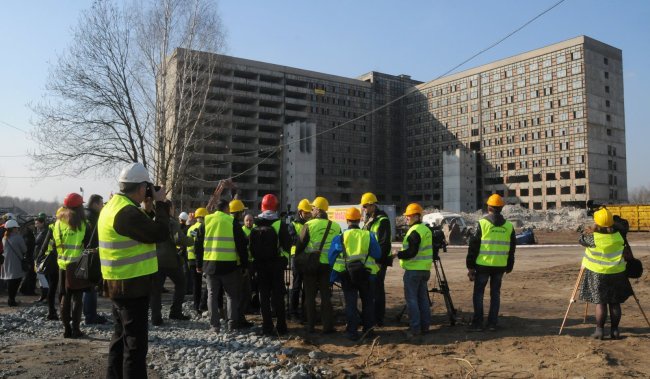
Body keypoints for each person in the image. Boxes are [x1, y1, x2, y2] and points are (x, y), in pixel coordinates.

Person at [98, 162, 169, 378]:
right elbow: (160, 233)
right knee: (135, 347)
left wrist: (147, 210)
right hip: (132, 287)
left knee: (119, 339)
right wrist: (162, 204)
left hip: (117, 284)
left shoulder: (112, 206)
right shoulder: (127, 213)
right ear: (141, 188)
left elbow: (139, 232)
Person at [193, 199, 248, 332]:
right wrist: (245, 265)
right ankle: (232, 324)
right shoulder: (231, 221)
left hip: (210, 265)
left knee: (211, 294)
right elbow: (242, 245)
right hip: (229, 265)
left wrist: (198, 264)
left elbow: (198, 244)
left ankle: (214, 325)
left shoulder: (207, 220)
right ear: (226, 209)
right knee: (231, 296)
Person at [579, 208, 633, 340]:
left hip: (599, 275)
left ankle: (599, 331)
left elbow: (581, 239)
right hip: (617, 273)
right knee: (615, 303)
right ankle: (615, 331)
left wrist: (588, 229)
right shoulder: (619, 234)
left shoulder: (592, 237)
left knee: (601, 303)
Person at [329, 207, 381, 340]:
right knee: (368, 302)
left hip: (347, 275)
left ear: (347, 221)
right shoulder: (368, 235)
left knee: (351, 304)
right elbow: (377, 254)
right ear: (360, 220)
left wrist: (333, 275)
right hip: (368, 275)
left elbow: (331, 257)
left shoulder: (340, 237)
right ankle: (368, 330)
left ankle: (352, 332)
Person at [466, 194, 516, 332]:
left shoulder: (482, 224)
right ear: (501, 208)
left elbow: (473, 247)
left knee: (479, 294)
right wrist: (510, 265)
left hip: (483, 265)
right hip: (500, 266)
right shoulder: (509, 226)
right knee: (495, 294)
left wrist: (470, 266)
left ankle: (477, 324)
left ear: (489, 207)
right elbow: (512, 249)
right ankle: (492, 323)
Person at [295, 196, 341, 334]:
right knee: (326, 297)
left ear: (318, 209)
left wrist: (299, 260)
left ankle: (310, 326)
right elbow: (338, 247)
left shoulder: (309, 225)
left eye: (313, 207)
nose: (312, 210)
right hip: (327, 266)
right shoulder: (336, 226)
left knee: (309, 296)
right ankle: (328, 327)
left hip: (311, 265)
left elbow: (299, 245)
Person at [249, 194, 292, 335]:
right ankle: (281, 326)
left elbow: (251, 246)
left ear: (262, 206)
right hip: (276, 265)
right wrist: (284, 259)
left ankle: (267, 326)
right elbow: (287, 245)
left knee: (263, 295)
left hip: (260, 265)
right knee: (278, 296)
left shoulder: (255, 223)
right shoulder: (280, 224)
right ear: (275, 207)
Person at [54, 193, 93, 338]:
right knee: (77, 298)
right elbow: (89, 245)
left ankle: (66, 330)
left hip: (62, 265)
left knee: (65, 297)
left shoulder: (57, 223)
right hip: (77, 264)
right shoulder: (84, 224)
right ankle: (76, 329)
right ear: (78, 207)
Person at [392, 203, 433, 337]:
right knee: (423, 299)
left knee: (412, 300)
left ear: (416, 216)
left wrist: (398, 254)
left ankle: (415, 328)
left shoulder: (414, 231)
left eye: (409, 216)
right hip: (424, 270)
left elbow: (411, 252)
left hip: (413, 270)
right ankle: (425, 326)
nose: (406, 218)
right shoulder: (426, 229)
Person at [150, 200, 191, 326]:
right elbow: (178, 239)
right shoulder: (171, 221)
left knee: (156, 290)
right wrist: (192, 240)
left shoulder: (152, 220)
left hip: (155, 260)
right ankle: (175, 311)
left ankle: (156, 317)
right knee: (181, 283)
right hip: (170, 261)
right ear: (170, 208)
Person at [360, 192, 392, 327]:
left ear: (373, 205)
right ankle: (372, 316)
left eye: (366, 206)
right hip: (371, 260)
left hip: (379, 261)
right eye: (363, 207)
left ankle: (379, 318)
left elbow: (384, 243)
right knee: (371, 289)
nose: (364, 209)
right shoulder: (369, 220)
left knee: (378, 289)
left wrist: (379, 261)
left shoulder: (382, 220)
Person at [83, 194, 108, 324]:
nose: (102, 206)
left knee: (86, 286)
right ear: (94, 204)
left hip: (84, 255)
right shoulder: (93, 218)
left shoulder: (84, 215)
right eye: (101, 204)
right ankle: (90, 315)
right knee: (90, 287)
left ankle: (87, 312)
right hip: (92, 255)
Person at [229, 199, 253, 328]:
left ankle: (234, 318)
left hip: (226, 263)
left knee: (233, 294)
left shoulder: (226, 224)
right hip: (238, 265)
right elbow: (242, 247)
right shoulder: (236, 226)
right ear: (239, 213)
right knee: (243, 292)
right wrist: (245, 266)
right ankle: (238, 320)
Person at [288, 199, 312, 320]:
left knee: (307, 286)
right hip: (296, 257)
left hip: (307, 257)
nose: (308, 215)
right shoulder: (293, 224)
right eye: (306, 212)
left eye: (309, 213)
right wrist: (303, 238)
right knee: (297, 286)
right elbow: (292, 240)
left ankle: (305, 312)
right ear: (300, 212)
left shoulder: (311, 223)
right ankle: (293, 312)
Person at [187, 207, 209, 316]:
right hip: (202, 259)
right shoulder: (205, 228)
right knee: (208, 283)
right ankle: (202, 304)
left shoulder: (190, 228)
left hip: (191, 260)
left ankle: (196, 306)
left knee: (196, 284)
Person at [1, 219, 27, 306]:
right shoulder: (18, 237)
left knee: (10, 281)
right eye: (16, 228)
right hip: (16, 262)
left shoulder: (4, 238)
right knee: (16, 280)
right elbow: (24, 249)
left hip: (6, 262)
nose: (17, 229)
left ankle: (10, 299)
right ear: (13, 228)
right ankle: (12, 300)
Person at [33, 213, 50, 303]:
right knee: (40, 277)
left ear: (42, 223)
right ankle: (43, 295)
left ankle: (45, 296)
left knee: (42, 276)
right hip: (38, 256)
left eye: (37, 223)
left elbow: (41, 245)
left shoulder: (44, 233)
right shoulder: (40, 232)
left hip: (42, 257)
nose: (35, 225)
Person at [19, 220, 37, 296]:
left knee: (30, 274)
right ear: (30, 225)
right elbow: (28, 246)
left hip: (29, 256)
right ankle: (27, 290)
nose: (35, 226)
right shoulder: (28, 234)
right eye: (33, 225)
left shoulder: (27, 233)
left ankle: (25, 289)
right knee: (30, 274)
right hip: (29, 256)